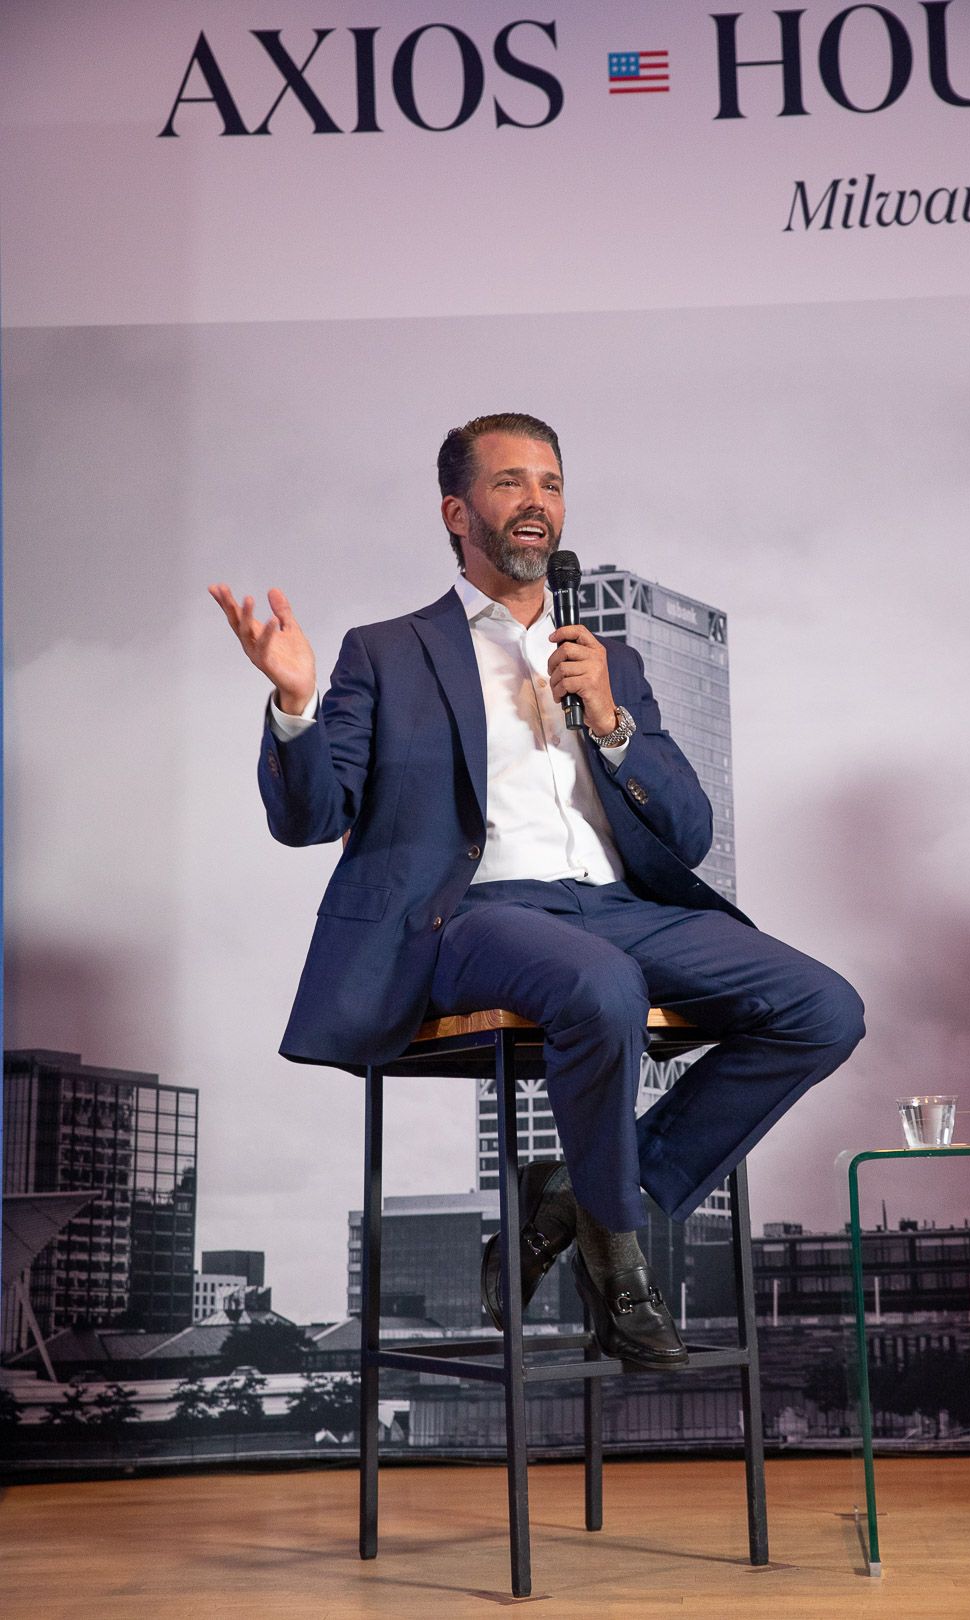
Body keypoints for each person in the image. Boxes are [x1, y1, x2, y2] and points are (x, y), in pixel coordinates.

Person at [210, 410, 864, 1369]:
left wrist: (608, 721)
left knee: (825, 1008)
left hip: (621, 908)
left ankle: (583, 1192)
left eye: (551, 485)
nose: (537, 503)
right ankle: (621, 1271)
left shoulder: (609, 660)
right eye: (512, 482)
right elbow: (307, 818)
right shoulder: (386, 652)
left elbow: (686, 834)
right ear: (457, 511)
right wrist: (295, 706)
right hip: (473, 917)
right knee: (600, 987)